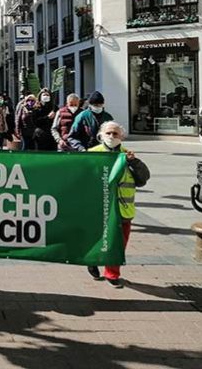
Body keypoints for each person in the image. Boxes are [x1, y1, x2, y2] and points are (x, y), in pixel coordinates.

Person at [87, 122, 150, 288]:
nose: (112, 137)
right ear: (101, 135)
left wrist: (134, 162)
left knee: (119, 244)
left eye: (115, 134)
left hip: (123, 210)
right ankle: (92, 260)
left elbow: (143, 179)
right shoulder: (92, 154)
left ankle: (112, 274)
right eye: (108, 133)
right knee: (96, 239)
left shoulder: (127, 155)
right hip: (99, 208)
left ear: (121, 136)